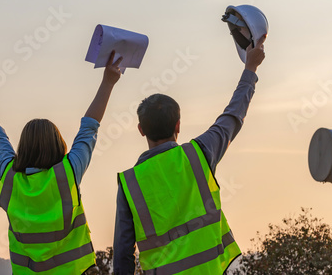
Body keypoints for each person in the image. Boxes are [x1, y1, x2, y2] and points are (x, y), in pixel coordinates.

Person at [0, 52, 123, 275]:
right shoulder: (68, 173)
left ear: (23, 148)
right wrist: (108, 82)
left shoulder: (10, 179)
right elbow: (89, 127)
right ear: (58, 145)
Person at [113, 36, 266, 274]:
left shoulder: (129, 183)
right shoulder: (198, 154)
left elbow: (123, 253)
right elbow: (233, 116)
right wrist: (250, 68)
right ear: (178, 126)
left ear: (141, 130)